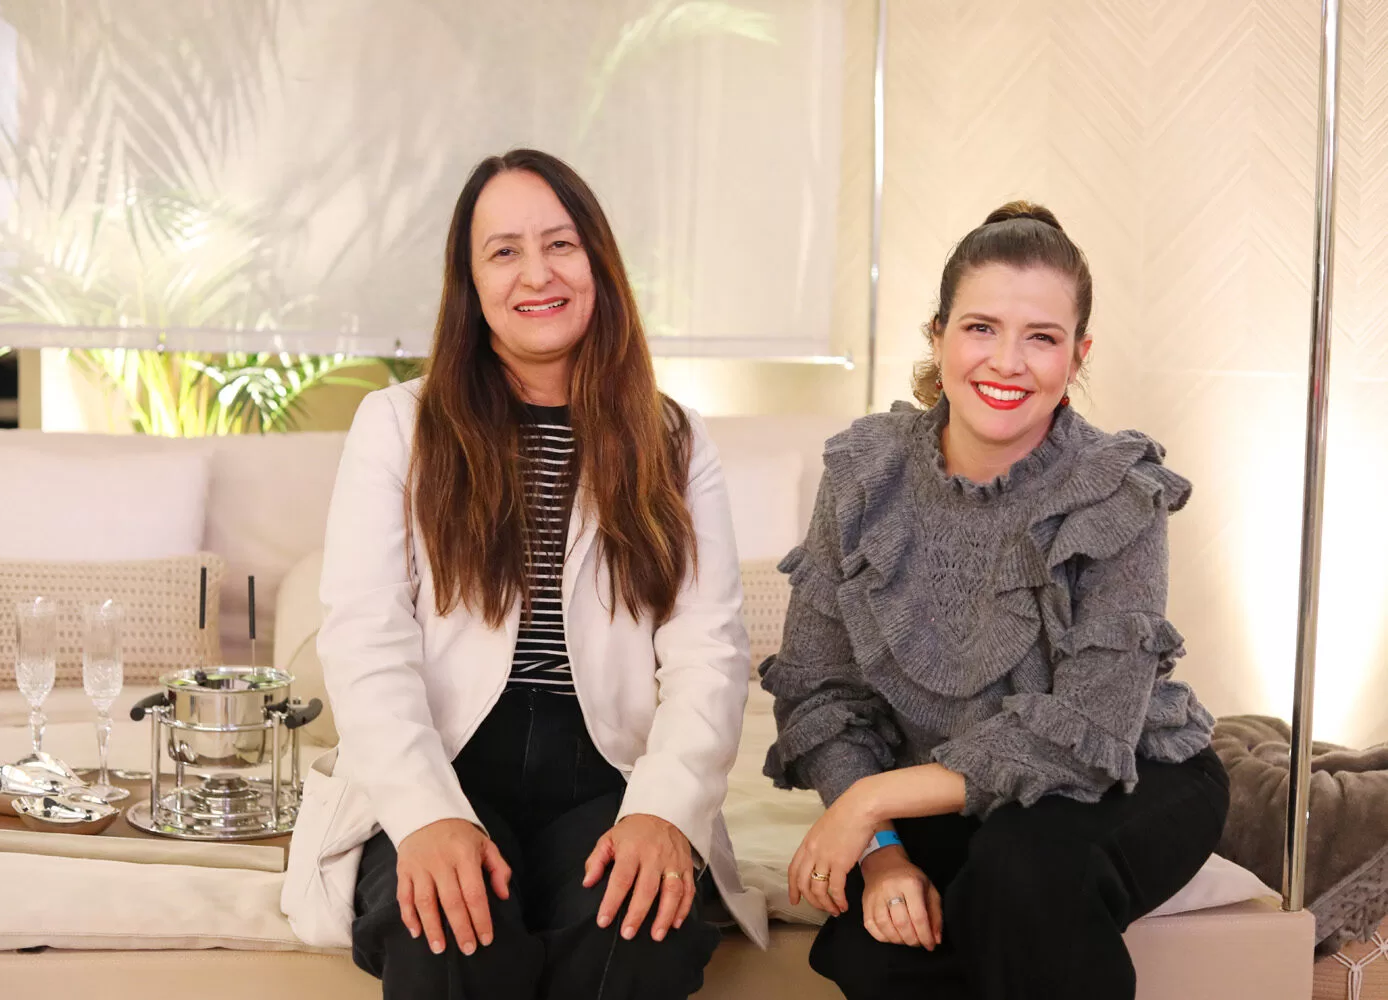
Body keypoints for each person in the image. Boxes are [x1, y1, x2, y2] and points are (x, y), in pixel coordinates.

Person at [314, 148, 766, 1000]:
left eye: (560, 244)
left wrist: (662, 813)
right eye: (504, 251)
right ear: (470, 281)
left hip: (611, 775)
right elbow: (364, 639)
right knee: (447, 939)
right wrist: (426, 816)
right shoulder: (397, 425)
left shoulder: (673, 438)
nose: (536, 274)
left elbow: (711, 652)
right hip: (446, 761)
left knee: (637, 938)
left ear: (597, 261)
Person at [761, 202, 1228, 1000]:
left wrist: (872, 799)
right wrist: (882, 855)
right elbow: (822, 696)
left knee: (1025, 871)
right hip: (956, 791)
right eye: (981, 328)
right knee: (878, 950)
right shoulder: (865, 473)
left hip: (1129, 772)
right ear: (938, 335)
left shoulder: (1116, 490)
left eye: (1041, 337)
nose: (1007, 363)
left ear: (1078, 355)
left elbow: (1087, 731)